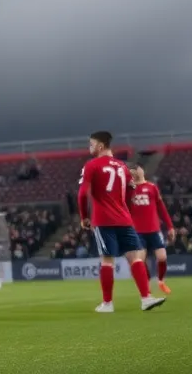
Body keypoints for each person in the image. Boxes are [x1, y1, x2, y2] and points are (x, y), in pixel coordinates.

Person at [78, 132, 166, 313]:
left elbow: (82, 193)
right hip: (124, 219)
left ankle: (107, 304)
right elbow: (130, 192)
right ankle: (146, 298)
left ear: (100, 146)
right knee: (135, 258)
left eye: (91, 144)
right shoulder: (122, 167)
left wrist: (84, 216)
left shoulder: (91, 165)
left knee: (107, 260)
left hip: (103, 220)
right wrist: (122, 208)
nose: (90, 147)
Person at [128, 164, 176, 295]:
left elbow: (161, 208)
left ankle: (161, 281)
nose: (136, 172)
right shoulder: (129, 190)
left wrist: (170, 226)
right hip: (138, 232)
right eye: (132, 171)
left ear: (142, 171)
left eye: (137, 169)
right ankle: (146, 284)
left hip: (154, 230)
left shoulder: (152, 187)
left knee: (162, 257)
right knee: (140, 261)